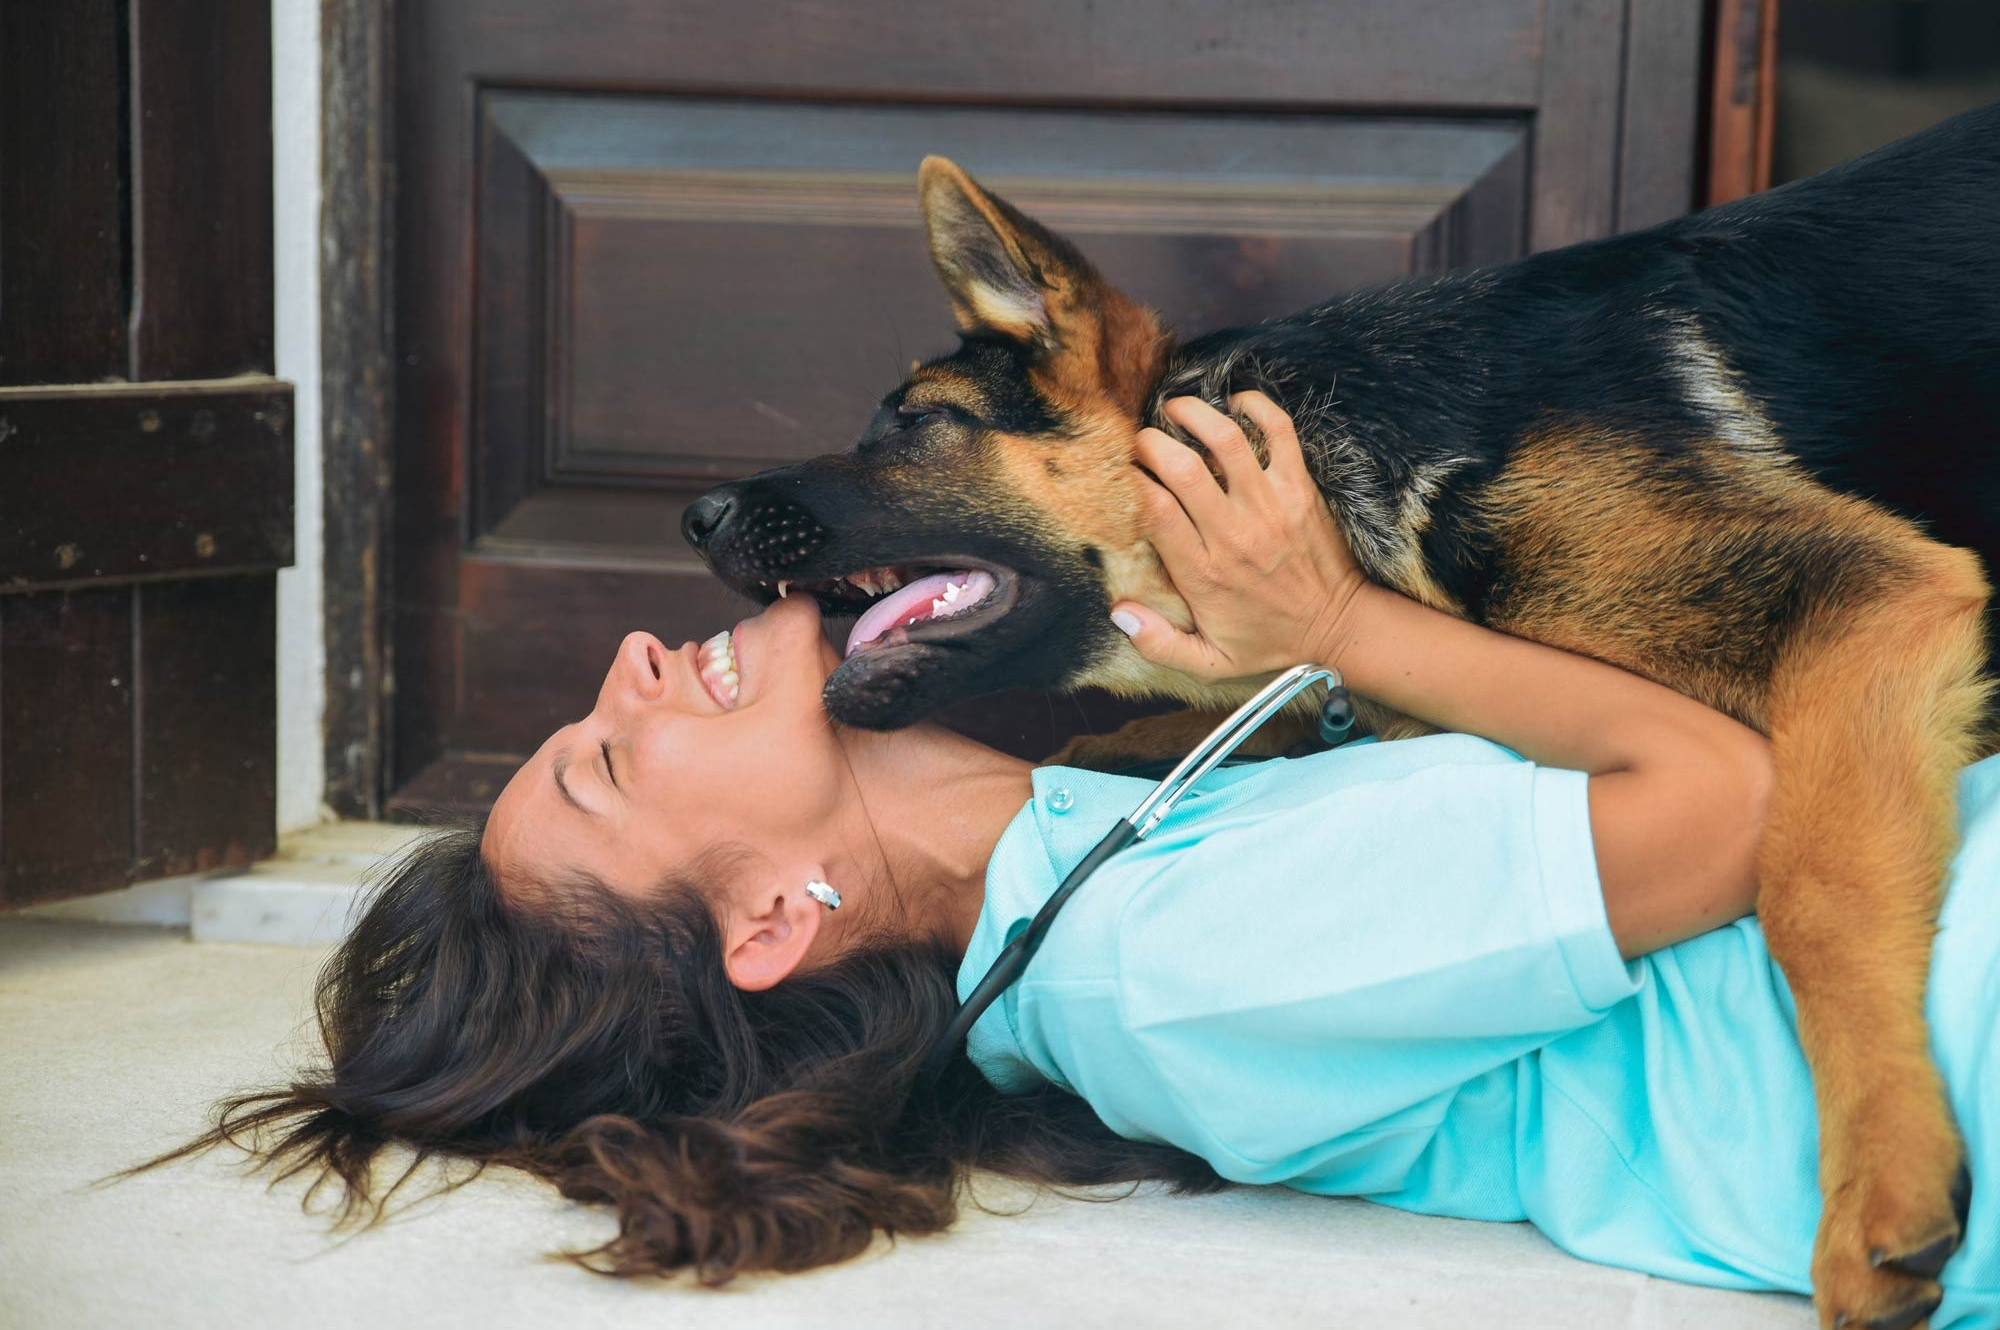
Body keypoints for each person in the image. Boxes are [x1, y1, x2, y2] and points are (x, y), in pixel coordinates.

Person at [145, 397, 1999, 1325]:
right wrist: (1342, 621)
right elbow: (1738, 804)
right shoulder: (1160, 967)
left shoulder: (1108, 848)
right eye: (616, 761)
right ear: (779, 919)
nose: (634, 663)